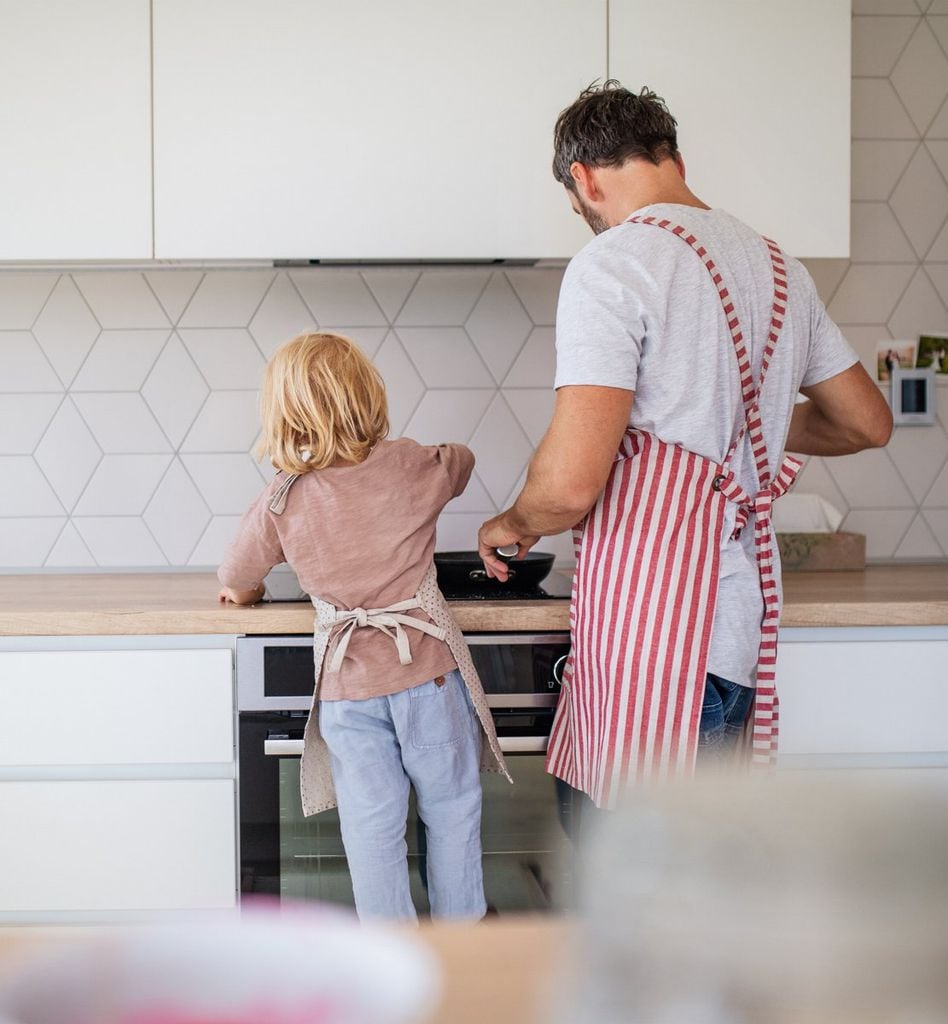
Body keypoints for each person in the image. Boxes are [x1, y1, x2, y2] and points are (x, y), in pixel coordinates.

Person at [478, 83, 892, 813]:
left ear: (583, 178)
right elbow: (865, 422)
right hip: (735, 636)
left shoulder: (616, 264)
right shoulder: (781, 268)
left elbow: (572, 484)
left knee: (641, 891)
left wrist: (511, 524)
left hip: (659, 642)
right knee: (698, 884)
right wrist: (745, 423)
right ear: (674, 158)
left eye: (583, 210)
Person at [218, 332, 509, 921]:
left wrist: (241, 592)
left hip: (350, 690)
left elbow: (237, 574)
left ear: (283, 414)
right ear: (369, 398)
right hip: (427, 674)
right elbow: (463, 459)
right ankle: (466, 945)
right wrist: (425, 462)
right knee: (452, 807)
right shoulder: (410, 465)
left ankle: (389, 947)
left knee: (372, 826)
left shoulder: (282, 499)